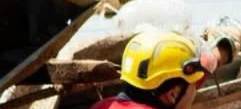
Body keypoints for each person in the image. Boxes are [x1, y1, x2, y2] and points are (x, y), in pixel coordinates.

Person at [91, 30, 231, 109]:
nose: (195, 89)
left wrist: (222, 52)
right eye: (194, 85)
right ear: (172, 94)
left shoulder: (101, 106)